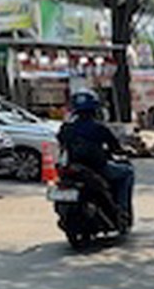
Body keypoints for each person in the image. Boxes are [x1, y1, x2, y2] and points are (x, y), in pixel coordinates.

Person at [57, 91, 134, 224]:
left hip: (73, 167)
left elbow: (61, 144)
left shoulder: (66, 128)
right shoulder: (99, 128)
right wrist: (125, 151)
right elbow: (115, 147)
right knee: (127, 172)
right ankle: (123, 210)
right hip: (98, 168)